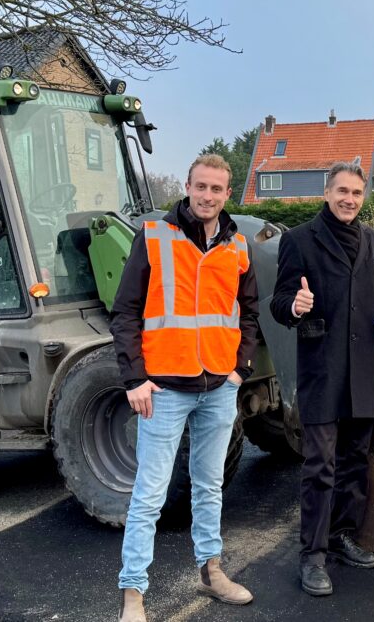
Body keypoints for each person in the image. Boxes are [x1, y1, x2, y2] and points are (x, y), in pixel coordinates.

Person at [110, 154, 260, 621]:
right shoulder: (154, 237)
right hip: (165, 389)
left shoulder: (237, 245)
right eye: (201, 187)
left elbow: (249, 313)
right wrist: (134, 377)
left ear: (226, 193)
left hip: (218, 385)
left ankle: (211, 571)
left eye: (217, 189)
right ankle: (133, 594)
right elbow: (126, 312)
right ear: (188, 186)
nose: (208, 196)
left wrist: (241, 370)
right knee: (150, 494)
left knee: (209, 485)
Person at [270, 161, 374, 596]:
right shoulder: (298, 240)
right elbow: (280, 302)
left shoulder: (373, 242)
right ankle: (312, 556)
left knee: (356, 460)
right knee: (320, 465)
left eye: (356, 193)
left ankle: (342, 535)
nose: (349, 200)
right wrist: (294, 305)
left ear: (363, 196)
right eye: (342, 191)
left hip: (363, 367)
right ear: (327, 192)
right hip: (322, 368)